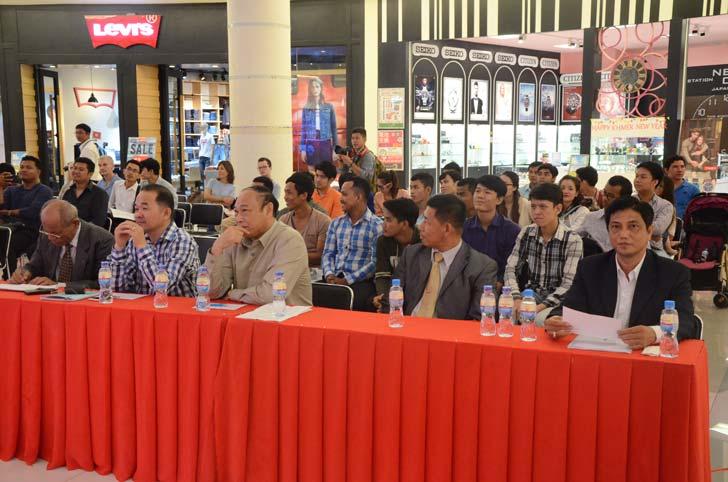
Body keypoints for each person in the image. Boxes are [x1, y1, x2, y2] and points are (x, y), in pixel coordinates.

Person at [545, 197, 698, 348]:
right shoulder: (590, 267)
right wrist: (556, 320)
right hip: (598, 352)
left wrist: (654, 334)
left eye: (633, 226)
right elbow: (569, 307)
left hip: (645, 356)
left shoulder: (673, 273)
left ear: (649, 231)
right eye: (616, 227)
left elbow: (685, 321)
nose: (623, 234)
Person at [392, 195, 498, 320]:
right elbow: (392, 300)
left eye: (427, 221)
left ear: (447, 229)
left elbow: (480, 318)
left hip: (449, 331)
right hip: (408, 326)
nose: (420, 226)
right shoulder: (411, 254)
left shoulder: (481, 267)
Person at [205, 185, 312, 305]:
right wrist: (217, 248)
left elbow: (271, 294)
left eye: (245, 211)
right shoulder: (235, 238)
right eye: (236, 212)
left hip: (286, 315)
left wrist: (232, 294)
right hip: (246, 313)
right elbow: (212, 292)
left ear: (268, 209)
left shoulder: (290, 240)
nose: (238, 219)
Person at [504, 183, 583, 325]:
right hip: (530, 295)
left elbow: (569, 284)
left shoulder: (572, 239)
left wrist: (540, 307)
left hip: (559, 301)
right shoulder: (527, 232)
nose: (536, 212)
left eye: (543, 207)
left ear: (558, 209)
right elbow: (510, 268)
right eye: (533, 207)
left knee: (539, 320)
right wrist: (516, 298)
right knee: (506, 312)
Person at [109, 184, 199, 297]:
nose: (138, 215)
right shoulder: (134, 240)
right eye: (136, 209)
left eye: (145, 208)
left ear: (166, 213)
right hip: (143, 306)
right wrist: (119, 247)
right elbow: (118, 289)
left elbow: (162, 287)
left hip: (175, 307)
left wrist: (142, 247)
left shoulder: (182, 241)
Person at [10, 200, 113, 288]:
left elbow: (103, 282)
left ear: (75, 223)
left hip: (83, 300)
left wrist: (59, 285)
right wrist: (26, 273)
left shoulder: (101, 240)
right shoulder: (47, 234)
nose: (50, 238)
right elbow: (35, 265)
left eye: (55, 234)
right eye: (46, 231)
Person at [321, 176, 383, 311]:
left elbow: (375, 263)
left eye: (344, 194)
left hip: (361, 282)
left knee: (352, 300)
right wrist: (329, 274)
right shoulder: (336, 223)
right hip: (334, 279)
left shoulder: (377, 226)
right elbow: (328, 254)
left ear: (358, 197)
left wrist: (347, 280)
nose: (340, 198)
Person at [462, 175, 521, 282]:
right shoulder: (463, 228)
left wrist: (500, 282)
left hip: (501, 285)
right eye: (477, 191)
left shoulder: (512, 230)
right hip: (468, 284)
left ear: (499, 199)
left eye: (487, 192)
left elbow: (512, 266)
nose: (480, 196)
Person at [0, 155, 54, 272]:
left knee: (7, 242)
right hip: (10, 229)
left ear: (38, 171)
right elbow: (1, 209)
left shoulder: (44, 191)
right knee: (5, 238)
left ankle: (9, 275)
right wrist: (0, 187)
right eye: (22, 167)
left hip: (33, 231)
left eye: (28, 167)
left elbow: (33, 212)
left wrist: (9, 212)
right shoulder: (11, 190)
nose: (24, 170)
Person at [373, 198, 421, 312]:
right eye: (384, 219)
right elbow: (382, 275)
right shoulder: (383, 241)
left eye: (388, 220)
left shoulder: (422, 241)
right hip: (393, 292)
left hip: (415, 294)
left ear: (404, 224)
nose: (383, 224)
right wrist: (384, 297)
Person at [279, 172, 331, 267]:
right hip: (286, 269)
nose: (285, 197)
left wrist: (290, 256)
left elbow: (320, 256)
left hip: (313, 272)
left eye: (289, 193)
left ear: (303, 195)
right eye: (285, 192)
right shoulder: (283, 220)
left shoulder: (323, 221)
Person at [577, 175, 633, 252]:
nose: (605, 198)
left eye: (610, 196)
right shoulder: (591, 218)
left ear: (624, 199)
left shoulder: (633, 223)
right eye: (604, 193)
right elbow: (574, 237)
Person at [633, 161, 674, 256]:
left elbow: (658, 229)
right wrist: (650, 233)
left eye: (643, 177)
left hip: (654, 250)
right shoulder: (628, 201)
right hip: (630, 246)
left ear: (655, 182)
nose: (637, 180)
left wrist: (633, 225)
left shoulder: (665, 205)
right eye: (636, 176)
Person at [299, 77, 338, 169]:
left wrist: (335, 150)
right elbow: (303, 131)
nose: (315, 89)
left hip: (325, 143)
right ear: (310, 89)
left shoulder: (329, 107)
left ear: (321, 88)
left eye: (317, 86)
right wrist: (303, 150)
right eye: (312, 87)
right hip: (311, 143)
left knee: (326, 170)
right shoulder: (306, 108)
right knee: (311, 170)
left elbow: (334, 129)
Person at [62, 157, 109, 228]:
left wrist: (77, 230)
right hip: (68, 230)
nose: (76, 171)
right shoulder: (68, 191)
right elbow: (62, 214)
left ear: (90, 174)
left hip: (89, 231)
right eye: (75, 168)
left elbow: (99, 221)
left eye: (81, 169)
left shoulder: (99, 194)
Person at [656, 176, 679, 258]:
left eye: (660, 186)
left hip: (661, 240)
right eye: (656, 185)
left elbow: (670, 234)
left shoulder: (669, 207)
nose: (656, 188)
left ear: (666, 189)